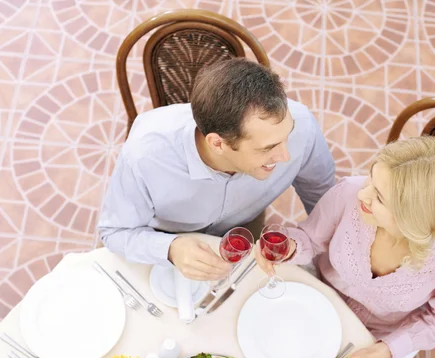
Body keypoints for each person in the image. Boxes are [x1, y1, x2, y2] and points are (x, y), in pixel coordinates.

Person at [255, 136, 435, 358]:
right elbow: (311, 238)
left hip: (378, 339)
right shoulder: (348, 193)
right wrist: (288, 246)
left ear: (413, 218)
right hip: (317, 298)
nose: (362, 193)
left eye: (379, 197)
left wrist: (381, 352)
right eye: (370, 179)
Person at [98, 58, 336, 281]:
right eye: (268, 148)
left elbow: (327, 204)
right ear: (217, 143)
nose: (286, 156)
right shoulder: (144, 155)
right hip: (166, 235)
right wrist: (170, 248)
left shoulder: (303, 125)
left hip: (245, 227)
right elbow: (115, 231)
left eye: (287, 136)